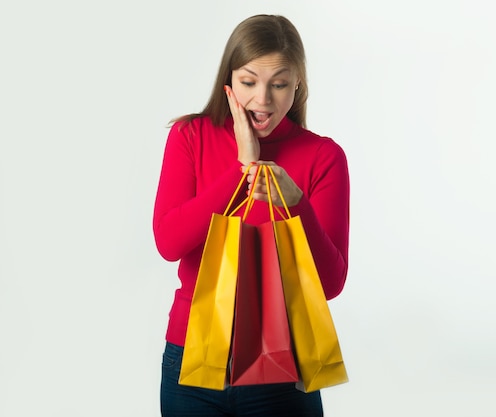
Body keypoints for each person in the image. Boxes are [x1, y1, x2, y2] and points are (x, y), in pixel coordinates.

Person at [152, 14, 350, 417]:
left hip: (282, 368)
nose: (262, 99)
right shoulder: (190, 136)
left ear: (298, 84)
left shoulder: (323, 157)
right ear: (229, 83)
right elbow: (169, 243)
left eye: (279, 84)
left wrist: (295, 204)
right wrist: (243, 168)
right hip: (192, 362)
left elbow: (329, 283)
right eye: (248, 82)